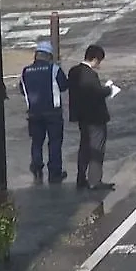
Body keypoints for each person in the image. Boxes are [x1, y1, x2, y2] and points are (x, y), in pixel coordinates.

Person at [68, 45, 116, 191]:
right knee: (96, 148)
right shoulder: (89, 75)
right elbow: (96, 93)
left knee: (84, 147)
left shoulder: (73, 71)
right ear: (95, 59)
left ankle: (81, 178)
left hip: (81, 116)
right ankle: (95, 181)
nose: (99, 64)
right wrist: (109, 89)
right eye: (99, 61)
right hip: (95, 117)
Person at [19, 41, 69, 184]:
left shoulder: (25, 71)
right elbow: (64, 86)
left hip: (33, 113)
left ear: (36, 55)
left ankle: (36, 168)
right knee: (54, 142)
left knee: (36, 142)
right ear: (49, 56)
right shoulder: (54, 69)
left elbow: (23, 90)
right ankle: (54, 172)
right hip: (53, 112)